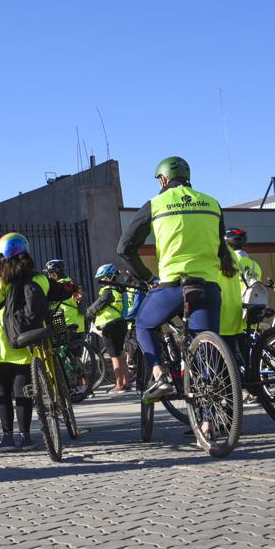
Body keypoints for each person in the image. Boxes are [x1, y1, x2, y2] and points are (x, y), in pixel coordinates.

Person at [117, 156, 234, 401]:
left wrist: (148, 278)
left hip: (173, 285)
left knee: (143, 325)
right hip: (208, 287)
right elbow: (222, 250)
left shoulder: (156, 203)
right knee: (207, 353)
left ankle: (161, 376)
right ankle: (209, 424)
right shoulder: (212, 203)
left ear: (163, 179)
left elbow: (124, 248)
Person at [0, 233, 56, 452]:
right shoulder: (39, 279)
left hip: (0, 346)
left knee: (2, 393)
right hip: (26, 344)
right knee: (23, 392)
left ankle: (7, 438)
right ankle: (26, 437)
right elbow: (58, 294)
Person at [84, 264, 133, 391]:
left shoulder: (108, 292)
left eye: (103, 278)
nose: (102, 282)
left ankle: (118, 384)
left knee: (114, 356)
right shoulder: (119, 290)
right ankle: (127, 382)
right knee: (120, 353)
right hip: (120, 323)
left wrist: (88, 313)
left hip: (109, 326)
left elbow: (98, 304)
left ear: (110, 277)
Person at [218, 229, 263, 356]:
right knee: (249, 353)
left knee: (232, 354)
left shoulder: (228, 259)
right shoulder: (255, 265)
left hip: (233, 310)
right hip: (251, 307)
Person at [45, 260, 86, 340]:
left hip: (65, 324)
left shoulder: (58, 287)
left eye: (49, 274)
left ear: (54, 274)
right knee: (76, 351)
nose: (49, 277)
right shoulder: (73, 283)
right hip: (79, 326)